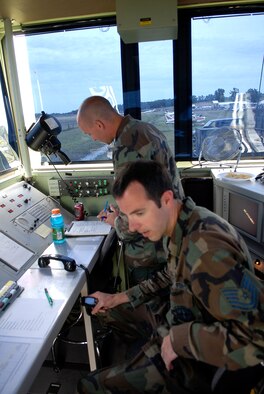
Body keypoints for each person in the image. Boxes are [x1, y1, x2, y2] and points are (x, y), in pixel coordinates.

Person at [77, 160, 264, 394]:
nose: (132, 227)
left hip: (201, 358)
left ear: (166, 199)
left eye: (139, 213)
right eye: (126, 215)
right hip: (180, 318)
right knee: (109, 311)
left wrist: (178, 339)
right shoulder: (182, 223)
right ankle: (141, 359)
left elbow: (256, 336)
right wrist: (118, 298)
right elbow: (170, 275)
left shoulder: (206, 251)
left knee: (90, 386)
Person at [77, 95, 184, 286]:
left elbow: (131, 226)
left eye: (89, 133)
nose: (93, 138)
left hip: (150, 252)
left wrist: (115, 222)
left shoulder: (127, 146)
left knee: (151, 311)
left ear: (99, 124)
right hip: (170, 236)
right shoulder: (145, 129)